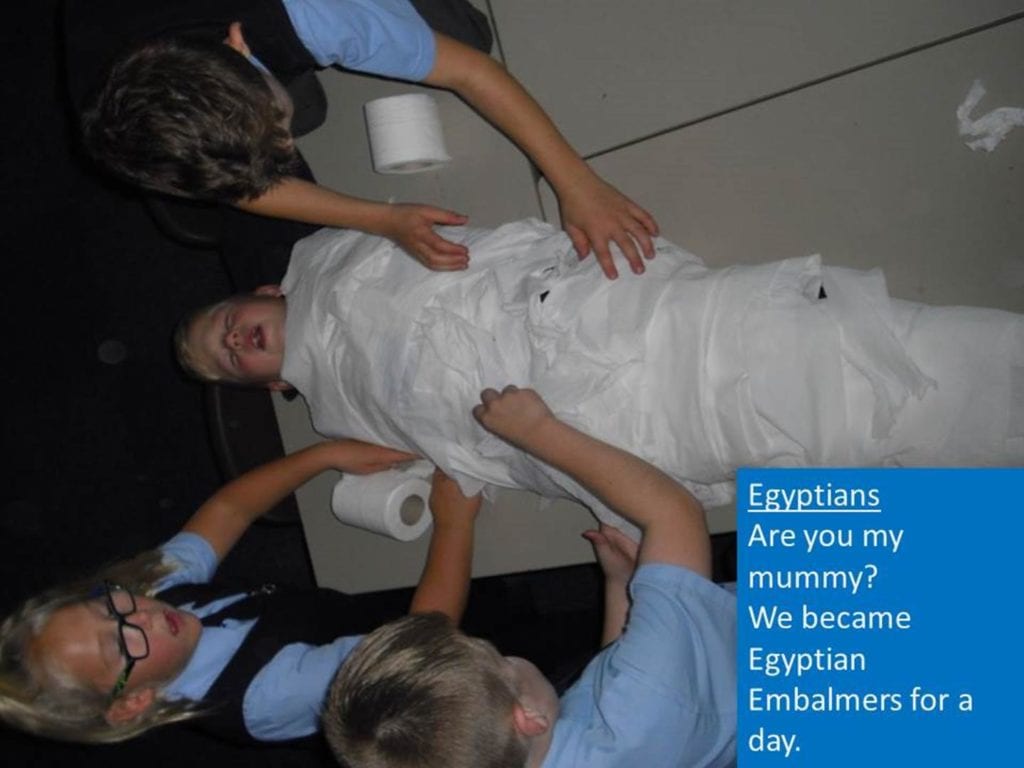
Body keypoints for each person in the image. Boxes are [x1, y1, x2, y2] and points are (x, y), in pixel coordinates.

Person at [174, 219, 1024, 534]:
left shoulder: (334, 250)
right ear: (272, 387)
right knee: (826, 439)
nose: (235, 343)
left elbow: (475, 249)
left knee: (863, 355)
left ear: (263, 292)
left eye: (224, 327)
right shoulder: (339, 413)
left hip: (589, 317)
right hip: (590, 425)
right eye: (231, 362)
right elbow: (450, 451)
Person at [75, 0, 657, 279]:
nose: (287, 149)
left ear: (239, 44)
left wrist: (576, 183)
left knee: (466, 37)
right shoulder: (125, 130)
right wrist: (382, 219)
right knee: (297, 121)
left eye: (275, 130)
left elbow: (471, 73)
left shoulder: (304, 14)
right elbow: (242, 189)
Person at [323, 386, 737, 768]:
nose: (507, 656)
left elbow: (606, 698)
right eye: (498, 659)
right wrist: (538, 431)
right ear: (527, 717)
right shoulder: (649, 686)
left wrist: (620, 588)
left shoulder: (532, 747)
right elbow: (675, 512)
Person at [0, 439, 483, 745]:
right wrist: (454, 524)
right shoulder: (262, 697)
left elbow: (229, 510)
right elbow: (424, 645)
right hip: (450, 680)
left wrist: (325, 455)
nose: (140, 616)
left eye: (107, 606)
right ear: (133, 702)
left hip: (351, 614)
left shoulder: (154, 595)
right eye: (121, 643)